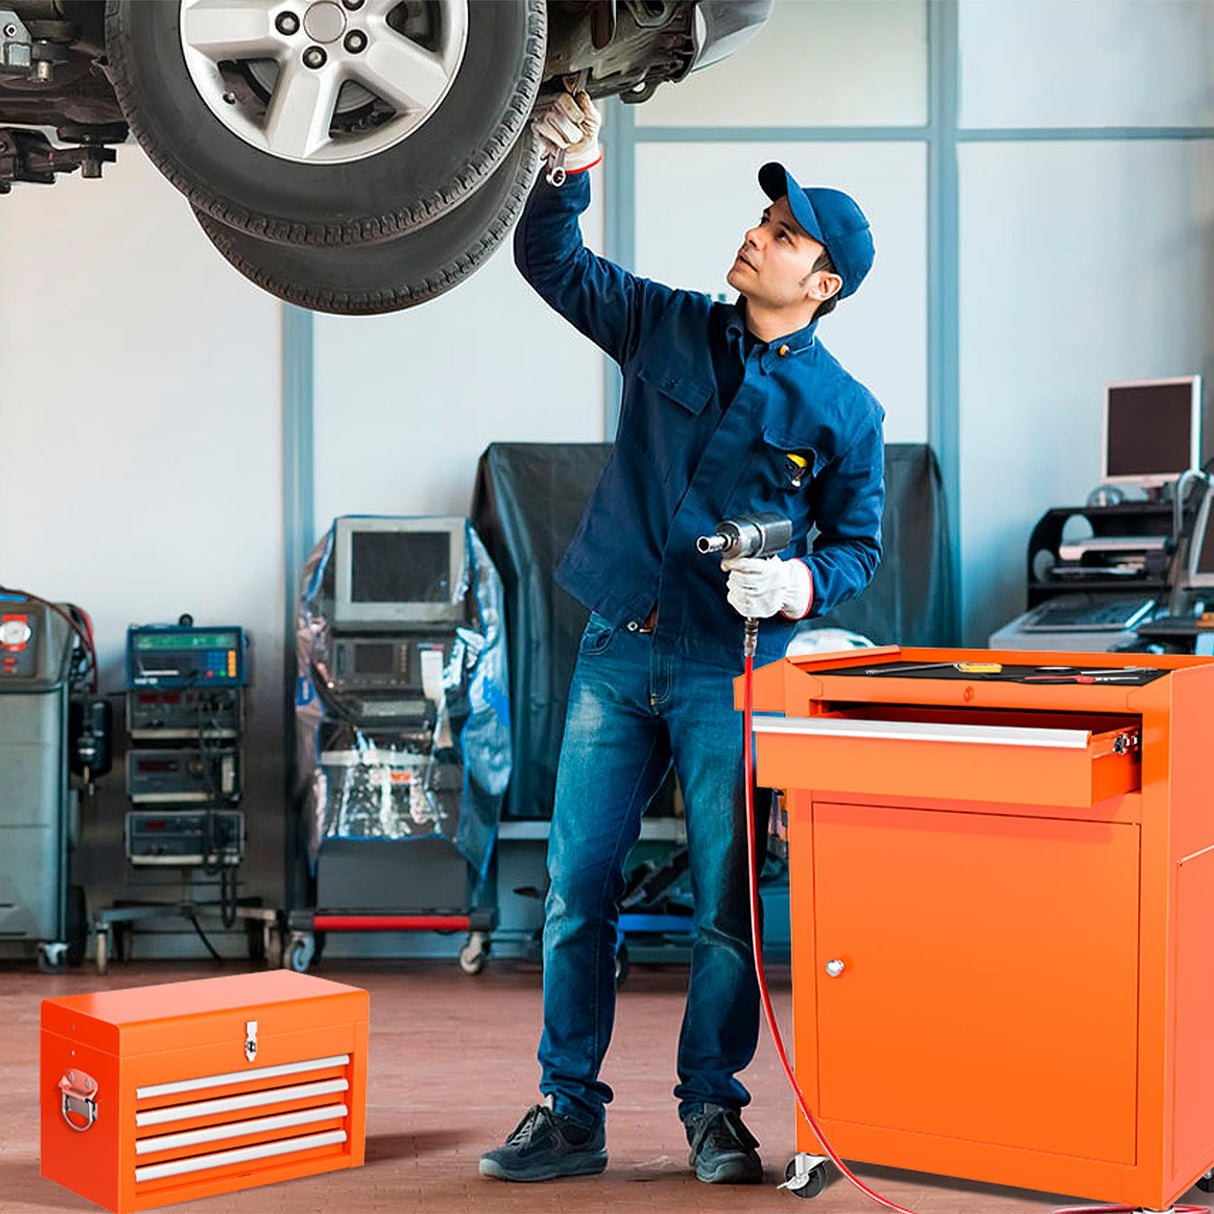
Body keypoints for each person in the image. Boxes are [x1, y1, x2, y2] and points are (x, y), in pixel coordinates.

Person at [479, 89, 885, 1186]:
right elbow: (549, 262)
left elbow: (859, 545)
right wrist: (571, 167)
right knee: (576, 888)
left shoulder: (845, 412)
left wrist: (800, 578)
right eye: (764, 222)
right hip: (618, 647)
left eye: (784, 235)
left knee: (723, 904)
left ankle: (714, 1106)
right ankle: (568, 1109)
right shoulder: (663, 322)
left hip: (727, 670)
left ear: (822, 283)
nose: (757, 235)